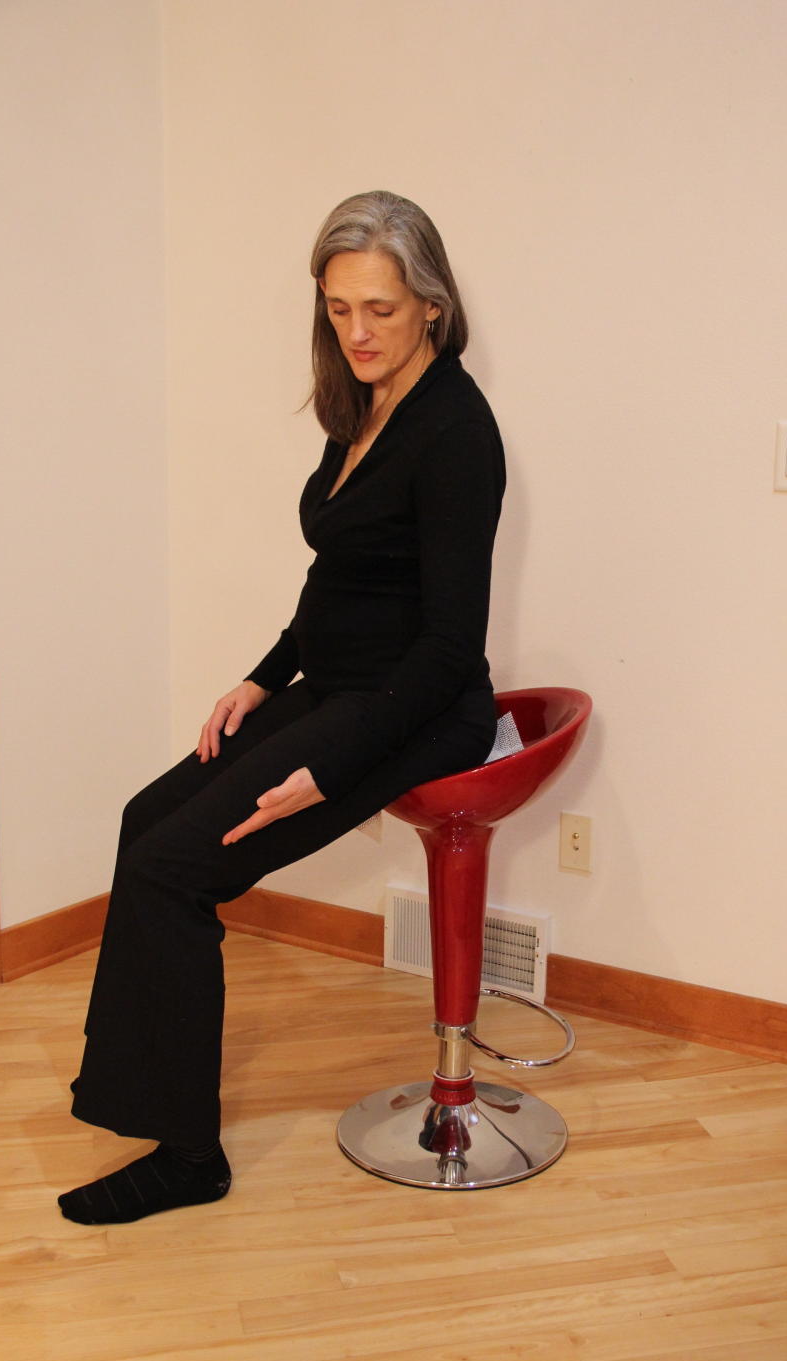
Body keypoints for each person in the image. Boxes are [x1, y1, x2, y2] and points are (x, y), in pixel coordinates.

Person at [58, 190, 506, 1225]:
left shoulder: (456, 433)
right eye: (339, 307)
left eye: (381, 310)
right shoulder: (365, 406)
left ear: (431, 306)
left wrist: (330, 764)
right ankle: (133, 1096)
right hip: (335, 689)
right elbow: (339, 584)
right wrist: (263, 678)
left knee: (177, 872)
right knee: (143, 824)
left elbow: (449, 650)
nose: (357, 331)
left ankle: (186, 1158)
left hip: (415, 711)